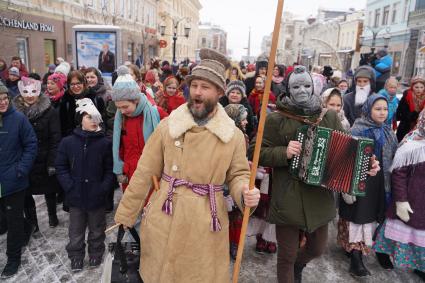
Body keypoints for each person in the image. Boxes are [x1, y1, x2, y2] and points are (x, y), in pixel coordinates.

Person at [113, 48, 260, 282]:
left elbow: (239, 174)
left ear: (220, 91)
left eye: (205, 87)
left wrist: (244, 192)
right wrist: (126, 216)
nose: (197, 93)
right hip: (165, 215)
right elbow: (144, 172)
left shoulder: (231, 135)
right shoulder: (169, 126)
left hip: (206, 223)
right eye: (194, 86)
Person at [249, 65, 380, 283]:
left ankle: (299, 266)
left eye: (307, 85)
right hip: (287, 195)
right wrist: (284, 152)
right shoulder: (276, 119)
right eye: (296, 86)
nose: (302, 90)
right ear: (288, 88)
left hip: (318, 195)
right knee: (287, 256)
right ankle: (291, 271)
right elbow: (254, 150)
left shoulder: (327, 116)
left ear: (314, 87)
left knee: (317, 248)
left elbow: (348, 149)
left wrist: (367, 165)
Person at [338, 94, 398, 277]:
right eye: (377, 109)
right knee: (356, 217)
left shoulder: (388, 132)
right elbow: (346, 160)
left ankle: (359, 250)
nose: (382, 113)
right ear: (368, 110)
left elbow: (394, 159)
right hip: (360, 180)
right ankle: (356, 258)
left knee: (370, 218)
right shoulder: (357, 130)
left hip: (380, 183)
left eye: (385, 109)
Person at [55, 98, 114, 272]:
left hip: (96, 196)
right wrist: (69, 186)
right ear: (80, 118)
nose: (93, 120)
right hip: (76, 196)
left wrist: (103, 187)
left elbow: (109, 169)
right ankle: (76, 256)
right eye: (89, 117)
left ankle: (96, 252)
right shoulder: (68, 142)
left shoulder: (104, 143)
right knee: (76, 231)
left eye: (95, 117)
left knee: (97, 229)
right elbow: (61, 166)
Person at [373, 108, 425, 282]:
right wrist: (401, 200)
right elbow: (399, 173)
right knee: (396, 231)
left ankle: (421, 265)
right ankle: (382, 252)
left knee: (421, 238)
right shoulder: (412, 143)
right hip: (410, 200)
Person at [13, 77, 62, 231]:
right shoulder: (15, 113)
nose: (29, 95)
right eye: (25, 92)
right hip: (25, 159)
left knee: (49, 189)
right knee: (26, 193)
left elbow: (55, 137)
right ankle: (32, 221)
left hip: (45, 157)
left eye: (33, 92)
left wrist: (52, 161)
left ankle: (52, 215)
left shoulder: (50, 111)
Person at [0, 82, 37, 278]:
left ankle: (13, 259)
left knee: (12, 222)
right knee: (4, 218)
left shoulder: (18, 119)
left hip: (14, 179)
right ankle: (27, 225)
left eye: (5, 99)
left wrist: (21, 169)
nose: (3, 103)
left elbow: (31, 145)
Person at [112, 66, 168, 191]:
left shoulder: (155, 113)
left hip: (152, 173)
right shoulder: (121, 117)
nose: (121, 111)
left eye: (125, 106)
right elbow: (120, 145)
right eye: (118, 107)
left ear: (136, 100)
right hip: (130, 173)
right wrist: (121, 169)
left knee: (150, 208)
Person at [223, 104, 249, 259]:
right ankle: (226, 244)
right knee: (228, 217)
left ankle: (234, 244)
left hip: (238, 182)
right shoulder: (230, 137)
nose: (245, 122)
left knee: (236, 217)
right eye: (243, 119)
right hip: (227, 185)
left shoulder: (242, 135)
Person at [396, 76, 425, 142]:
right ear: (412, 87)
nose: (419, 89)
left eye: (421, 87)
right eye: (416, 87)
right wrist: (415, 114)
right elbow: (402, 112)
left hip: (419, 129)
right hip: (405, 126)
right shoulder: (407, 96)